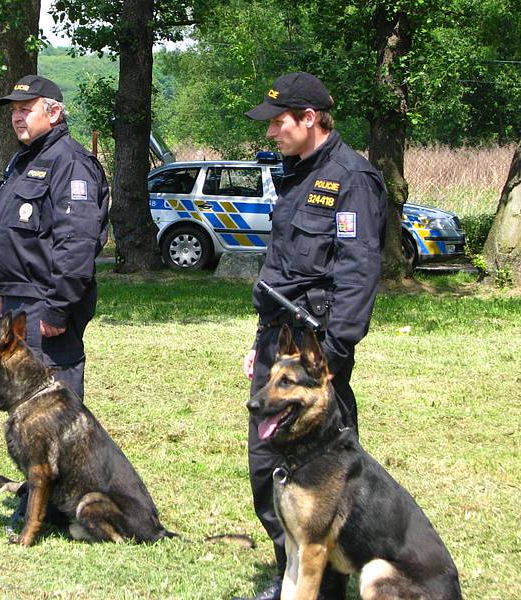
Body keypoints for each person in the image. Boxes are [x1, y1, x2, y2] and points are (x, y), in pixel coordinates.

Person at [241, 72, 387, 600]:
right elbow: (280, 268)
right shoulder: (297, 175)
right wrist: (259, 343)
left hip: (316, 352)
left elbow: (357, 271)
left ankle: (324, 588)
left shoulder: (352, 178)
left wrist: (334, 354)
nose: (272, 132)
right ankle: (291, 575)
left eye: (279, 122)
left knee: (322, 474)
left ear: (309, 119)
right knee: (269, 468)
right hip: (279, 343)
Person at [0, 74, 110, 400]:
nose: (16, 116)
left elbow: (78, 244)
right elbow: (4, 232)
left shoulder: (70, 162)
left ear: (54, 114)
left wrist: (57, 308)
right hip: (15, 302)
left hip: (46, 305)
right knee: (24, 404)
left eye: (26, 109)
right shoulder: (24, 161)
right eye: (14, 111)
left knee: (53, 409)